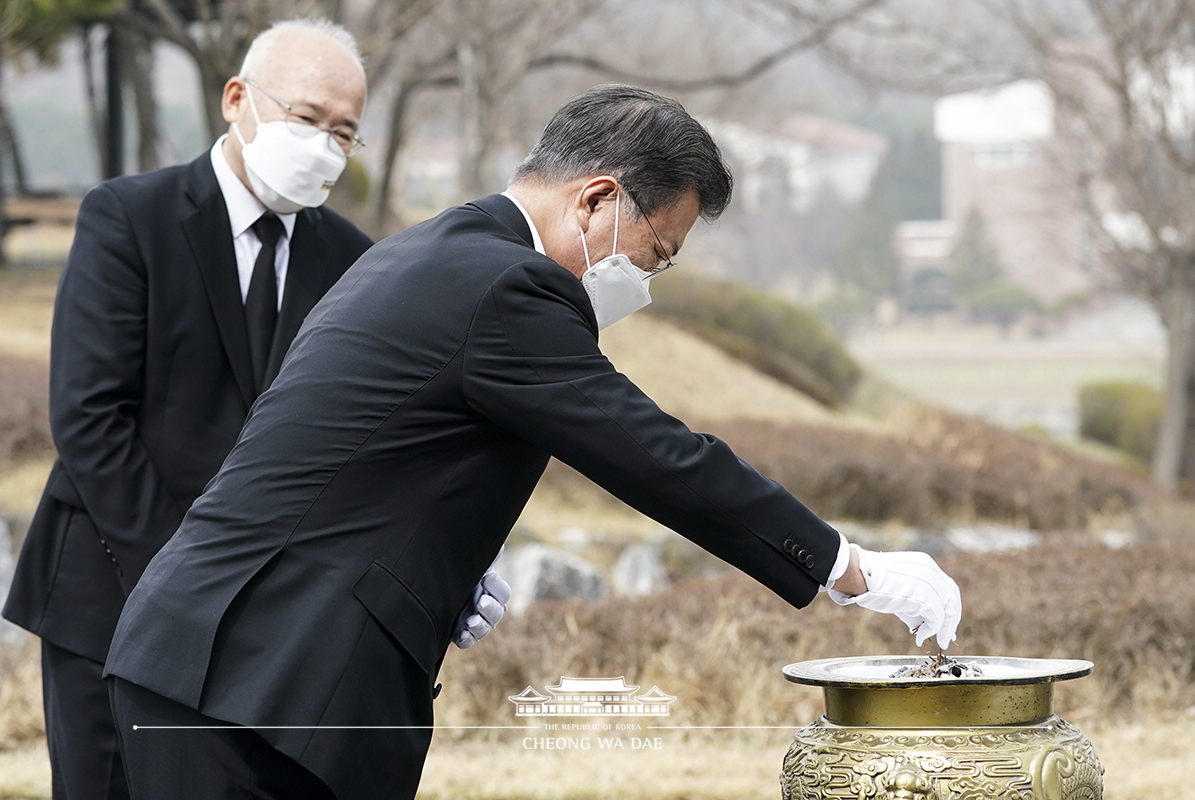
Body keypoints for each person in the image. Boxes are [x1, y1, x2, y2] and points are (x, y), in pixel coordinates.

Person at [104, 84, 961, 800]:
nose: (647, 282)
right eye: (655, 252)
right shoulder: (509, 286)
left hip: (216, 659)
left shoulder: (430, 251)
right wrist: (850, 567)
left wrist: (440, 564)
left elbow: (353, 450)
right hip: (260, 680)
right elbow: (658, 457)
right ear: (595, 199)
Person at [1, 19, 507, 800]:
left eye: (345, 134)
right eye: (307, 120)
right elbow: (90, 419)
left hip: (257, 634)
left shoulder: (354, 261)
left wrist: (449, 557)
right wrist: (182, 584)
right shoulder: (128, 216)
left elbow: (364, 441)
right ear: (238, 99)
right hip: (109, 588)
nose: (325, 148)